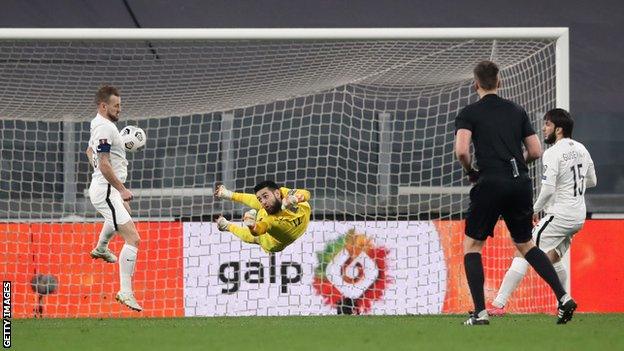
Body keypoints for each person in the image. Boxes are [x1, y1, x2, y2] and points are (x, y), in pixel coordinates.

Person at [455, 61, 576, 325]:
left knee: (472, 246)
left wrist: (470, 171)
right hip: (519, 182)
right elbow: (535, 151)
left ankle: (480, 313)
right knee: (526, 245)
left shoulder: (469, 113)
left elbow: (462, 150)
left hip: (490, 181)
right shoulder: (517, 110)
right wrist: (516, 165)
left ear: (476, 84)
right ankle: (563, 298)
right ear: (500, 83)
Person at [488, 108, 597, 316]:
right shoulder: (582, 149)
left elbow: (547, 190)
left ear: (559, 129)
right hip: (578, 216)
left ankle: (498, 305)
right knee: (553, 258)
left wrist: (532, 210)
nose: (543, 128)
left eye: (547, 124)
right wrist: (570, 185)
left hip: (561, 214)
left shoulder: (553, 153)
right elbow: (592, 180)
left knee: (523, 249)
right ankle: (564, 304)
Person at [86, 85, 142, 312]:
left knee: (122, 215)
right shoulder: (105, 129)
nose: (120, 109)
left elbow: (90, 153)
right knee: (134, 239)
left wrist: (101, 175)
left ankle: (101, 247)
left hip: (105, 189)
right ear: (103, 105)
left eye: (120, 105)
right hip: (107, 190)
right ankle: (125, 292)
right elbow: (105, 163)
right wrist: (121, 190)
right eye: (116, 105)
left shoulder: (98, 125)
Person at [213, 181, 311, 253]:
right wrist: (251, 226)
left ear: (277, 194)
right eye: (260, 199)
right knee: (255, 233)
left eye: (265, 196)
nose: (263, 202)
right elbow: (258, 229)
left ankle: (226, 226)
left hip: (274, 240)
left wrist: (296, 198)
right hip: (274, 236)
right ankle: (229, 198)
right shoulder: (269, 219)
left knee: (254, 238)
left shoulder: (282, 193)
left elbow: (306, 194)